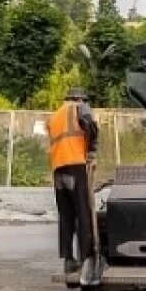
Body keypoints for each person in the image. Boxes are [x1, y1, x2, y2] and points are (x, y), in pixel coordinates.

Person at [47, 88, 100, 279]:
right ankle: (87, 256)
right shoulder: (79, 107)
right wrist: (92, 149)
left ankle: (68, 259)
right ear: (79, 98)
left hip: (58, 167)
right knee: (83, 212)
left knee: (66, 215)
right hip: (75, 164)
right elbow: (90, 125)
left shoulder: (54, 116)